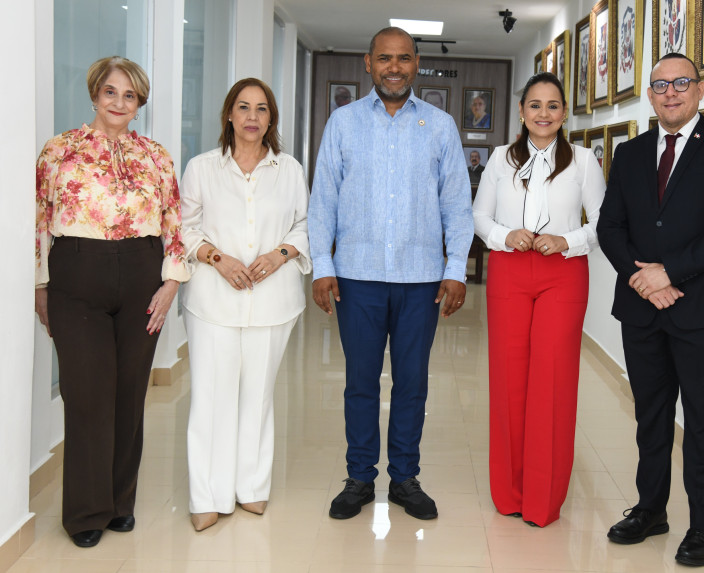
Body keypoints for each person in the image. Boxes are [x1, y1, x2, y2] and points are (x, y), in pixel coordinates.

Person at [597, 53, 704, 567]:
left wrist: (669, 272)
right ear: (649, 94)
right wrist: (643, 280)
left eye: (681, 83)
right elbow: (610, 228)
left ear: (700, 89)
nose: (671, 92)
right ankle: (650, 510)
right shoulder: (630, 153)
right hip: (643, 309)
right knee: (650, 417)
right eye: (661, 85)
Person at [308, 26, 473, 521]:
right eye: (385, 58)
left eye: (403, 58)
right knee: (360, 382)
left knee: (412, 384)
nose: (394, 67)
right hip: (357, 277)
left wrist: (455, 270)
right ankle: (359, 477)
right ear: (368, 62)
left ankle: (404, 478)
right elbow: (323, 203)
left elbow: (457, 206)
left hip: (420, 279)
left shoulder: (441, 126)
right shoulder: (342, 123)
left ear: (416, 63)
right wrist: (322, 266)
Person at [34, 56, 189, 548]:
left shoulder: (157, 156)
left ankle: (121, 502)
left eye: (130, 95)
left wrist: (171, 283)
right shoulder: (59, 150)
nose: (119, 102)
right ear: (94, 94)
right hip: (77, 274)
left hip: (143, 274)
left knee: (128, 395)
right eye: (110, 92)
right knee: (86, 398)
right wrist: (40, 286)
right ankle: (85, 514)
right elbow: (40, 220)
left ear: (139, 102)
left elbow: (174, 222)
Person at [472, 72, 606, 528]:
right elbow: (479, 216)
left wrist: (566, 240)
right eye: (535, 105)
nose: (543, 114)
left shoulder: (585, 161)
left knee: (552, 382)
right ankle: (508, 493)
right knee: (509, 380)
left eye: (552, 105)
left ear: (564, 113)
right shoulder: (498, 159)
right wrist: (503, 235)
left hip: (563, 275)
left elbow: (604, 223)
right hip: (510, 269)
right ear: (522, 112)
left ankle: (543, 500)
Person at [180, 78, 311, 532]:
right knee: (211, 398)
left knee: (257, 396)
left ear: (271, 118)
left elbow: (305, 222)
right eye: (243, 107)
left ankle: (251, 487)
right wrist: (218, 258)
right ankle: (207, 496)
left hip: (273, 302)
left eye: (261, 108)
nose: (252, 116)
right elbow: (183, 228)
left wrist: (281, 255)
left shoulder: (289, 170)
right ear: (229, 116)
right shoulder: (201, 168)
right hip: (212, 300)